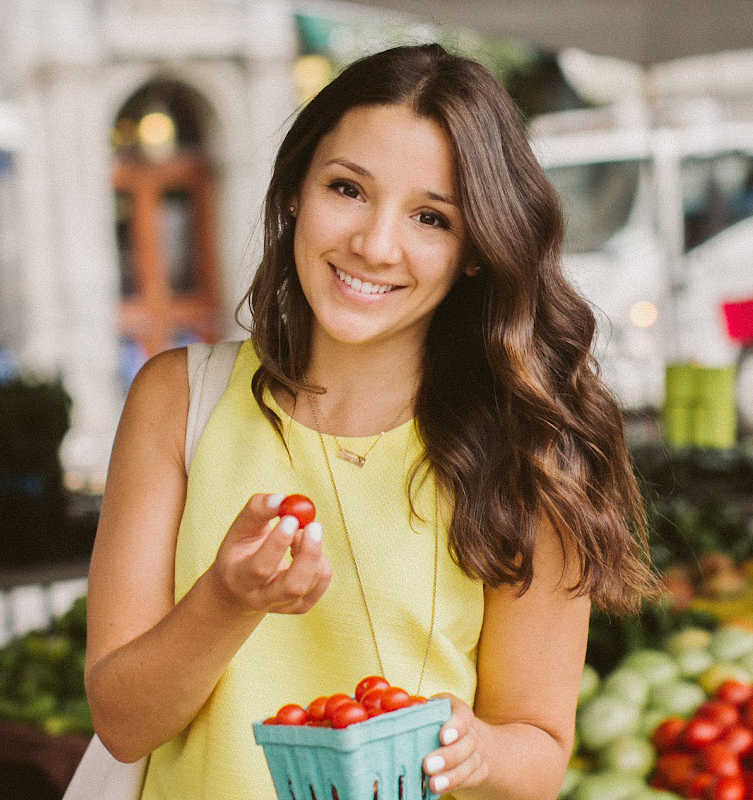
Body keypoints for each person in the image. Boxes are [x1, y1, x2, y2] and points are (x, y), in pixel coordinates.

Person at [85, 43, 660, 800]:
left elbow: (541, 751)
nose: (374, 244)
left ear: (477, 250)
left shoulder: (529, 453)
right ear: (296, 190)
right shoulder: (177, 400)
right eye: (348, 189)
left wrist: (478, 750)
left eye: (430, 217)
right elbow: (122, 722)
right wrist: (228, 601)